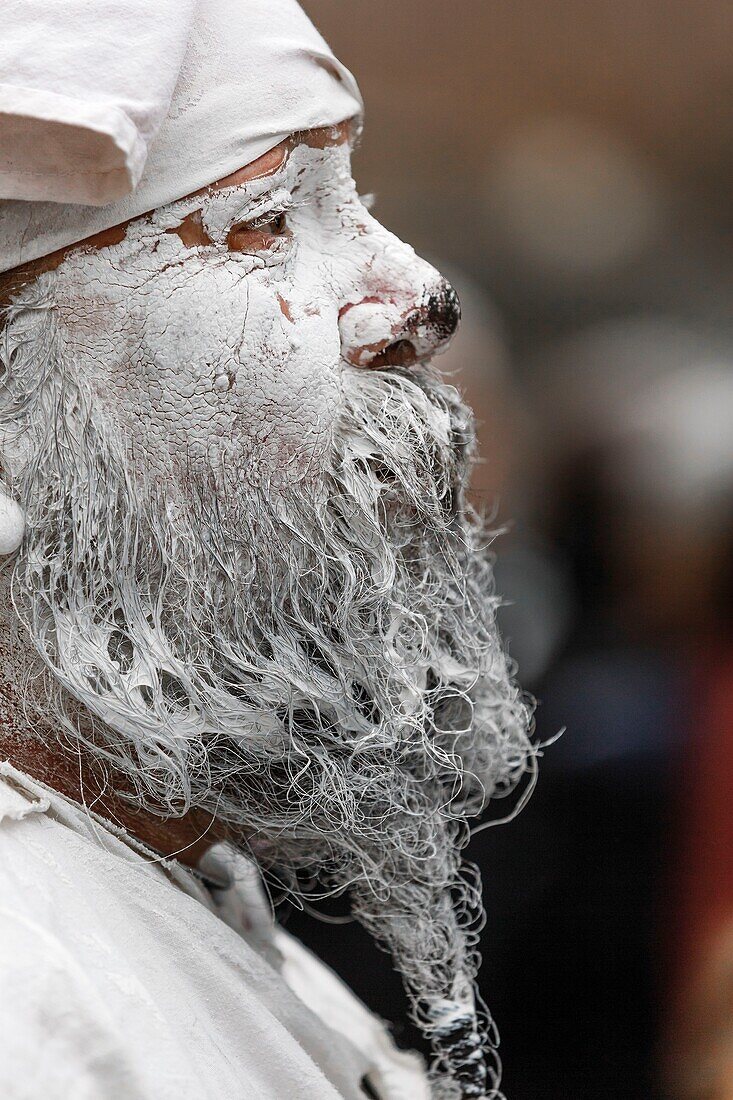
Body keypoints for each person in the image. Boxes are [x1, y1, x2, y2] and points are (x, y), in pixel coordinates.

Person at [0, 2, 533, 1097]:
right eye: (264, 224)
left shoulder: (159, 886)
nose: (418, 298)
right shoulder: (35, 1009)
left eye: (358, 204)